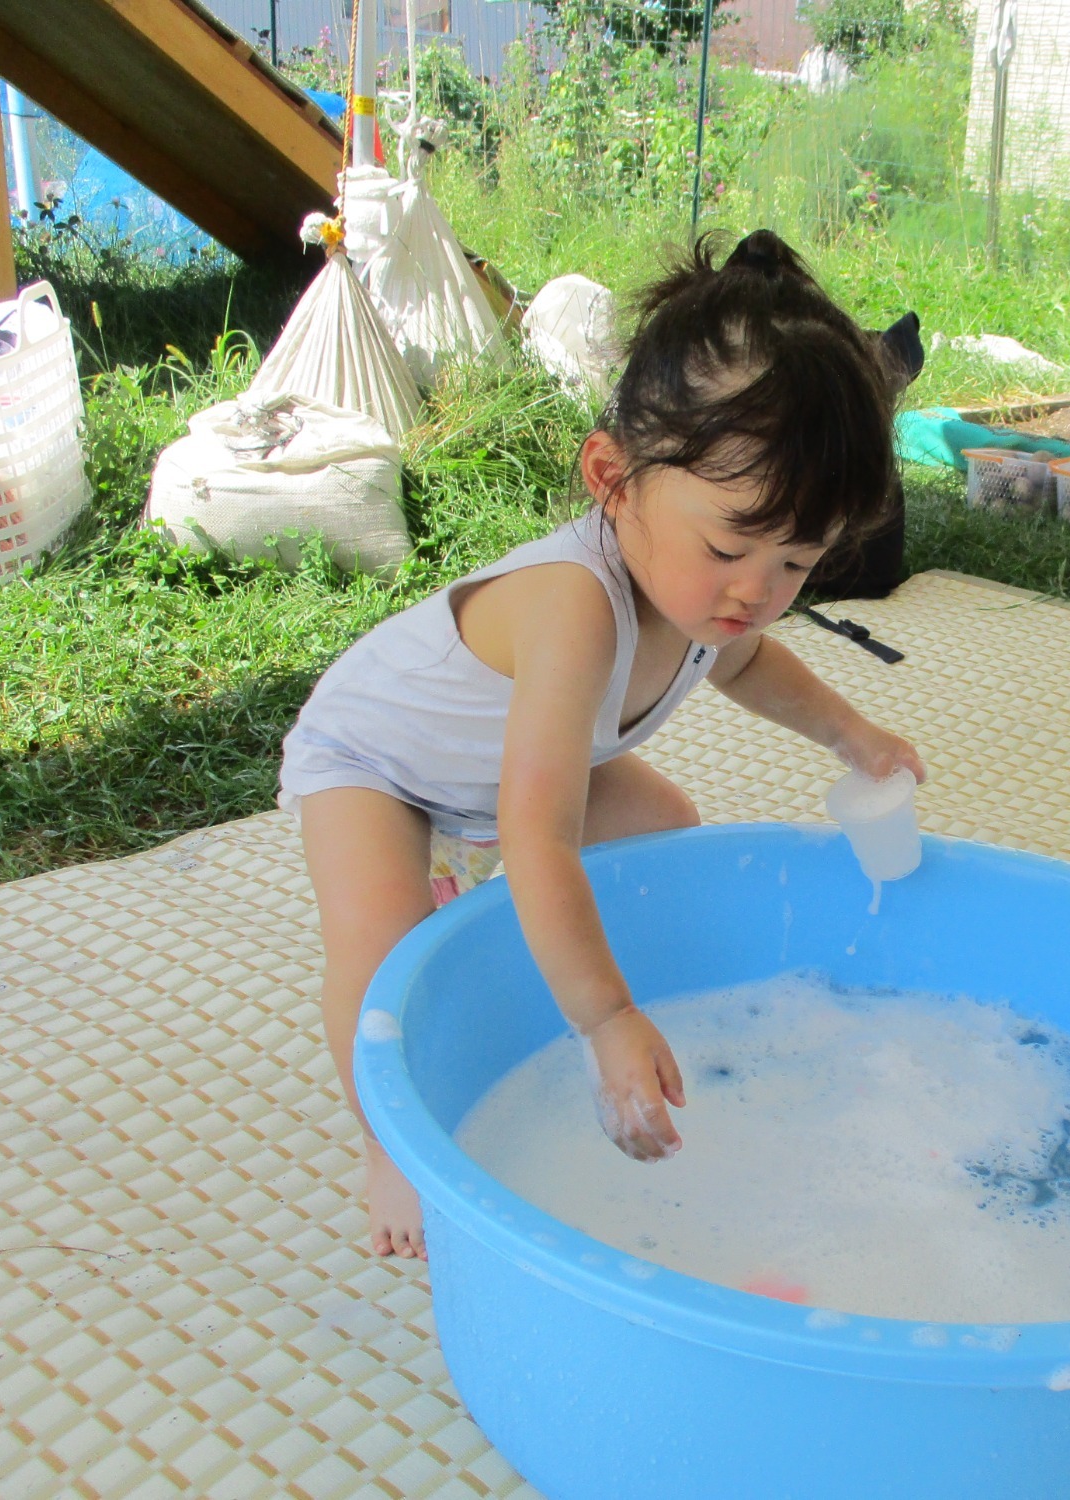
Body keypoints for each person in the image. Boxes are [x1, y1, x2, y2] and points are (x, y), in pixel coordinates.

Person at [279, 231, 925, 1260]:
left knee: (664, 829)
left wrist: (852, 734)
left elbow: (753, 665)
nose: (754, 591)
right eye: (727, 547)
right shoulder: (576, 609)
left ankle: (509, 925)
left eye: (796, 562)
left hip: (518, 761)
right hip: (381, 765)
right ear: (610, 478)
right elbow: (540, 834)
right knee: (382, 945)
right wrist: (606, 1016)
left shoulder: (710, 605)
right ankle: (386, 1144)